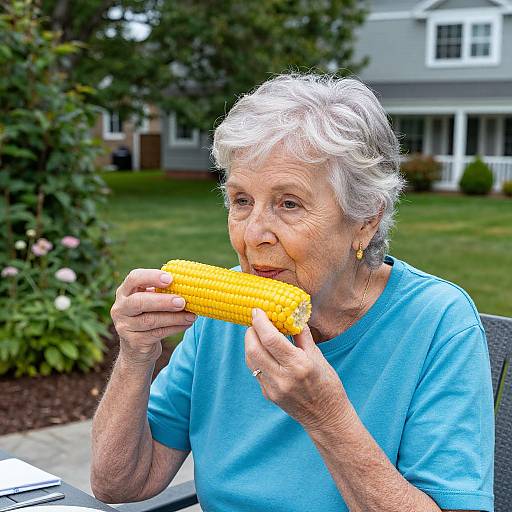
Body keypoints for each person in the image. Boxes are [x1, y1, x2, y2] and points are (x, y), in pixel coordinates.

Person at [91, 74, 494, 512]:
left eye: (289, 203)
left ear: (365, 219)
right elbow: (121, 483)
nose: (254, 234)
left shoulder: (437, 324)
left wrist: (326, 417)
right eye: (241, 200)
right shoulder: (219, 322)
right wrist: (136, 355)